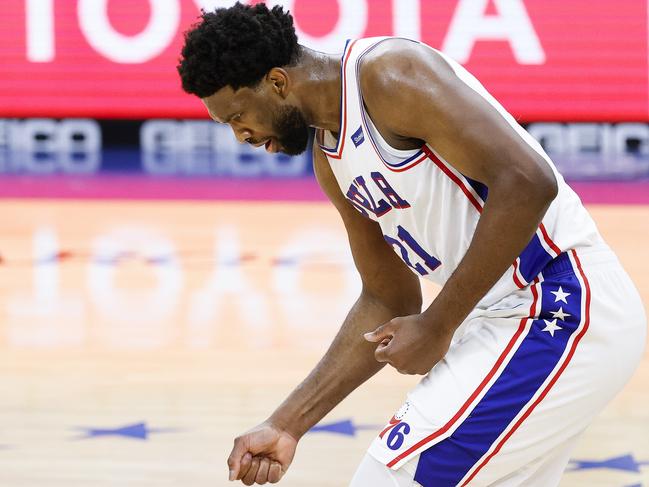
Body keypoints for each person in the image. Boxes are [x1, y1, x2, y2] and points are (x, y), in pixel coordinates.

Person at [177, 3, 647, 486]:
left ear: (277, 83)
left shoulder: (388, 75)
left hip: (561, 307)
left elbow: (527, 180)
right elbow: (388, 298)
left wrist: (438, 325)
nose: (242, 135)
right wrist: (287, 423)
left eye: (237, 117)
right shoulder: (330, 157)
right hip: (500, 326)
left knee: (390, 478)